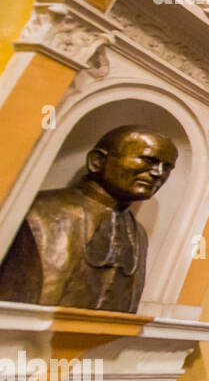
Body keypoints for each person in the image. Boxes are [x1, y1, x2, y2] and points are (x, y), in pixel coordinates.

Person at [0, 126, 178, 313]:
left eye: (167, 167)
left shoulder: (138, 234)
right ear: (97, 161)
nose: (158, 173)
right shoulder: (40, 210)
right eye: (148, 160)